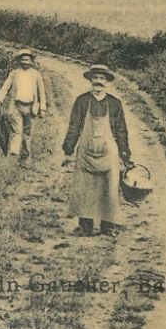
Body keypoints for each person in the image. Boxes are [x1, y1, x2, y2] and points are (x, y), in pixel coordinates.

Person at [60, 64, 132, 236]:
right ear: (90, 80)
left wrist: (124, 152)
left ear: (107, 82)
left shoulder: (115, 104)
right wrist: (68, 147)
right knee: (84, 188)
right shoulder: (82, 101)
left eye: (102, 78)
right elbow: (74, 125)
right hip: (85, 153)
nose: (98, 81)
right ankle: (86, 226)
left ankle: (108, 226)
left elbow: (121, 129)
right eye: (95, 78)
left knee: (110, 188)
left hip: (109, 154)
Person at [0, 49, 48, 160]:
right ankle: (14, 155)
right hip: (16, 106)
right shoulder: (14, 73)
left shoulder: (36, 75)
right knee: (16, 131)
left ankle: (26, 155)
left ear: (31, 61)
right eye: (23, 60)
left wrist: (42, 108)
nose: (25, 62)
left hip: (31, 107)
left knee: (27, 133)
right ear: (19, 61)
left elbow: (41, 92)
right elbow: (6, 87)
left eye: (27, 60)